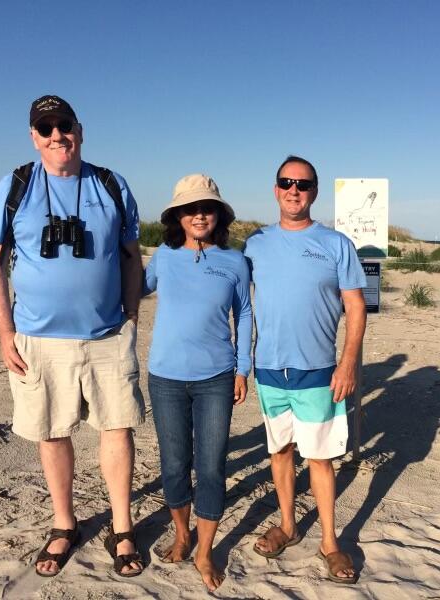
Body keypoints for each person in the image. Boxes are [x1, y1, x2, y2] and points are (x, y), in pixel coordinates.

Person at [0, 95, 145, 578]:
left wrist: (131, 317)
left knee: (117, 428)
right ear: (34, 137)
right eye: (46, 127)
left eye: (64, 125)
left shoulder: (111, 184)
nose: (57, 135)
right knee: (51, 432)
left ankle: (122, 526)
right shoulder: (15, 186)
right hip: (37, 338)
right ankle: (64, 524)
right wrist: (4, 332)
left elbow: (133, 257)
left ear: (80, 129)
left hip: (107, 336)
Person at [243, 155, 366, 584]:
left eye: (304, 184)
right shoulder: (255, 243)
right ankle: (288, 525)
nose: (294, 190)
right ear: (275, 189)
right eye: (286, 182)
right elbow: (235, 298)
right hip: (270, 370)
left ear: (314, 192)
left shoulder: (336, 244)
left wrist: (348, 362)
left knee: (320, 457)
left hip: (318, 370)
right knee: (279, 452)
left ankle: (330, 542)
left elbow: (355, 306)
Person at [143, 174, 252, 591]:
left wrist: (243, 369)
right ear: (178, 216)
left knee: (211, 466)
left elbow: (244, 314)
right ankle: (182, 533)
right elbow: (131, 290)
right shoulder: (164, 258)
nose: (199, 214)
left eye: (206, 207)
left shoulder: (235, 261)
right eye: (190, 208)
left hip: (216, 378)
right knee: (173, 464)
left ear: (218, 214)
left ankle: (204, 551)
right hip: (166, 377)